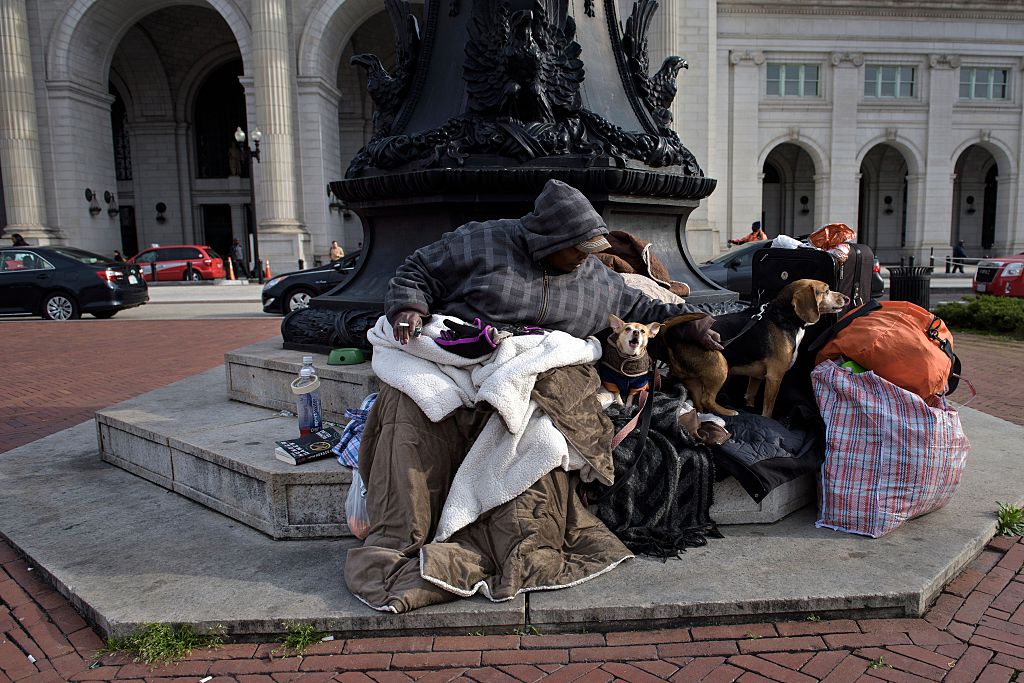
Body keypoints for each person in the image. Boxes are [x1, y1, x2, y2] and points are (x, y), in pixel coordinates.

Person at [389, 179, 722, 348]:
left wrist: (690, 322)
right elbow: (418, 270)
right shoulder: (483, 240)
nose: (584, 256)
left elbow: (643, 306)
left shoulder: (593, 274)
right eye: (577, 248)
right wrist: (408, 307)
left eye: (591, 248)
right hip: (467, 355)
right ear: (549, 239)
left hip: (548, 374)